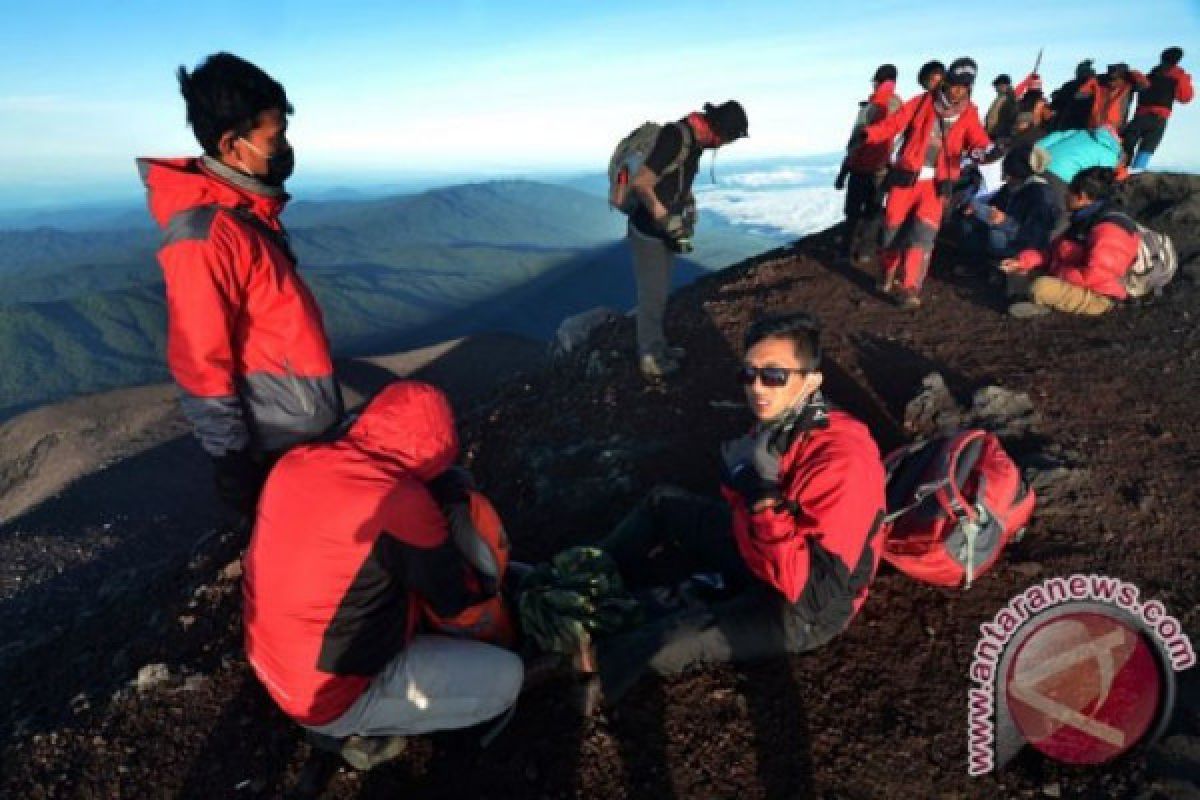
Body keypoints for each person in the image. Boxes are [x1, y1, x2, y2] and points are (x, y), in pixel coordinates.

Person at [579, 313, 886, 708]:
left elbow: (810, 595)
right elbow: (739, 499)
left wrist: (761, 497)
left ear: (811, 381)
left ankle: (577, 668)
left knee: (665, 638)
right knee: (663, 504)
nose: (757, 388)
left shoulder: (841, 461)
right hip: (760, 548)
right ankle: (582, 575)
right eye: (749, 374)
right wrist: (750, 495)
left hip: (802, 610)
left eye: (774, 376)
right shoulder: (782, 424)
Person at [242, 381, 524, 770]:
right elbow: (454, 598)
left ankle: (345, 717)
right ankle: (360, 731)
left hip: (272, 663)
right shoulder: (399, 502)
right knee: (507, 677)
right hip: (330, 697)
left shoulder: (296, 462)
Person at [138, 53, 342, 521]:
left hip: (299, 430)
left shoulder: (247, 216)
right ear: (232, 145)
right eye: (275, 138)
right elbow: (199, 357)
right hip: (275, 442)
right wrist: (232, 461)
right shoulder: (205, 237)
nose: (286, 147)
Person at [627, 100, 749, 379]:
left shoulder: (693, 144)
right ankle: (650, 358)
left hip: (665, 229)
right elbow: (641, 183)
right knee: (652, 297)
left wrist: (685, 211)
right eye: (726, 140)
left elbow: (676, 183)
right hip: (649, 230)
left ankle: (659, 348)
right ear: (718, 131)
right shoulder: (674, 137)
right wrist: (663, 218)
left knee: (660, 292)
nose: (721, 147)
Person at [859, 57, 992, 308]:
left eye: (964, 86)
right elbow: (894, 123)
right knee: (891, 231)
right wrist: (870, 134)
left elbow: (979, 142)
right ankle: (887, 271)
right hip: (906, 180)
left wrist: (987, 152)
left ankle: (910, 288)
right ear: (947, 81)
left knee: (923, 235)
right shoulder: (922, 102)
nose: (957, 90)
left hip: (937, 186)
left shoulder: (969, 113)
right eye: (955, 84)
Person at [1000, 166, 1137, 317]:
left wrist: (1055, 272)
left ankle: (1040, 303)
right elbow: (1052, 253)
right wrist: (1022, 261)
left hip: (1100, 295)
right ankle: (1038, 301)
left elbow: (1094, 275)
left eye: (1070, 190)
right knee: (1018, 272)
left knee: (1040, 287)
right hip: (1071, 276)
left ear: (1082, 196)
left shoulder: (1110, 229)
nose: (1065, 194)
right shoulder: (1083, 219)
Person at [836, 64, 903, 266]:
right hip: (883, 168)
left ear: (878, 81)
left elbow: (856, 141)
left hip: (861, 167)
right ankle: (865, 250)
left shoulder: (871, 106)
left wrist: (843, 171)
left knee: (853, 212)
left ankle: (845, 251)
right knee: (874, 210)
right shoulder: (900, 106)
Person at [959, 144, 1061, 262]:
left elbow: (1034, 238)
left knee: (993, 235)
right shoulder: (1013, 187)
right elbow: (994, 206)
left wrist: (1004, 222)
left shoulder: (1041, 196)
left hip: (1021, 248)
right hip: (1003, 234)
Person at [1123, 47, 1194, 170]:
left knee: (1127, 143)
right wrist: (1185, 78)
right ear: (1177, 61)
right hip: (1159, 119)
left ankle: (1120, 170)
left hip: (1140, 116)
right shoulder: (1178, 77)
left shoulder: (1149, 75)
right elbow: (1185, 98)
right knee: (1148, 147)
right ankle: (1136, 173)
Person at [1089, 63, 1148, 134]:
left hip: (1094, 125)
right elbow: (1144, 84)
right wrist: (1132, 73)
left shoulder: (1099, 81)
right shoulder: (1128, 84)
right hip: (1114, 128)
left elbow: (1080, 94)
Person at [1050, 60, 1099, 131]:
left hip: (1068, 124)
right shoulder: (1095, 86)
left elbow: (1056, 104)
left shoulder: (1070, 85)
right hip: (1085, 125)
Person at [985, 74, 1019, 143]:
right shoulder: (1000, 98)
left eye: (997, 86)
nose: (996, 89)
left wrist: (999, 133)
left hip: (1000, 137)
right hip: (993, 135)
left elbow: (1010, 120)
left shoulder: (1010, 100)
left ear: (1004, 85)